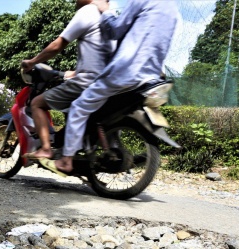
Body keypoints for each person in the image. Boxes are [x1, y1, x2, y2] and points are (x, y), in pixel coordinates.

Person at [55, 0, 179, 173]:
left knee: (79, 107)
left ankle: (66, 160)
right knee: (110, 110)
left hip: (127, 71)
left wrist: (105, 11)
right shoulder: (172, 10)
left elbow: (115, 30)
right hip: (151, 76)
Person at [20, 0, 113, 161]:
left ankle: (46, 149)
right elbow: (99, 55)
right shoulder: (109, 17)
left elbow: (57, 45)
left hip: (87, 83)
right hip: (107, 82)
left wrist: (32, 62)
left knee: (37, 103)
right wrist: (76, 72)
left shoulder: (88, 12)